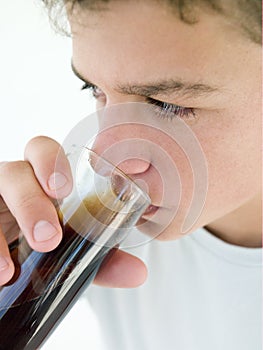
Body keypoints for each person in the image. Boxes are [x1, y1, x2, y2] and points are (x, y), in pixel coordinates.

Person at [0, 0, 262, 349]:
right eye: (95, 89)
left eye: (166, 105)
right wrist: (15, 277)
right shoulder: (91, 235)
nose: (105, 161)